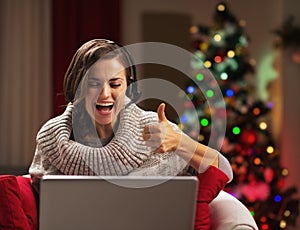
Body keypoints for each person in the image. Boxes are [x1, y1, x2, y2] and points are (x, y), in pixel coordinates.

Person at [29, 39, 233, 229]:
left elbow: (223, 170)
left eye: (115, 84)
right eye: (93, 84)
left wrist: (179, 142)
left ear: (128, 85)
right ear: (78, 87)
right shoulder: (52, 137)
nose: (105, 94)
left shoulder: (153, 127)